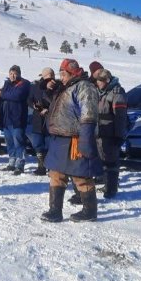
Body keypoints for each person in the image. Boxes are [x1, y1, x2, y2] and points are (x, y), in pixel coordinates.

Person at [41, 58, 103, 222]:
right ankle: (55, 211)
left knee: (81, 177)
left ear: (72, 72)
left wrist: (86, 138)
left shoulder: (85, 87)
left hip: (76, 139)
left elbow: (89, 114)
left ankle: (90, 211)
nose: (61, 77)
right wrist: (48, 91)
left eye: (63, 73)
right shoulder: (66, 87)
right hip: (60, 140)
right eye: (60, 73)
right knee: (56, 174)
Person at [93, 68, 129, 198]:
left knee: (111, 161)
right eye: (97, 81)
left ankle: (112, 188)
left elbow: (120, 117)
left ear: (107, 81)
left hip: (111, 133)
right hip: (100, 131)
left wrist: (119, 135)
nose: (98, 83)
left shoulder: (117, 93)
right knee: (102, 159)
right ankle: (105, 182)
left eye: (101, 81)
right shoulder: (100, 92)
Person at [0, 65, 31, 174]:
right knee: (9, 143)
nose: (12, 76)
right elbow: (3, 94)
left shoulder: (24, 84)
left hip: (17, 119)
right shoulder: (7, 84)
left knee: (18, 143)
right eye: (11, 73)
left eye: (15, 73)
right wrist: (5, 93)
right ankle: (12, 162)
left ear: (19, 74)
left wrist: (4, 94)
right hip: (7, 119)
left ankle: (20, 164)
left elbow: (17, 96)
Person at [28, 67, 55, 175]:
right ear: (43, 76)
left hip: (51, 118)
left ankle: (50, 166)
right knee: (38, 144)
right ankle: (41, 166)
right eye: (48, 75)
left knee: (50, 144)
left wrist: (48, 109)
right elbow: (29, 99)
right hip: (38, 118)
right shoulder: (35, 87)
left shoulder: (56, 86)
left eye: (52, 75)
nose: (50, 77)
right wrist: (35, 106)